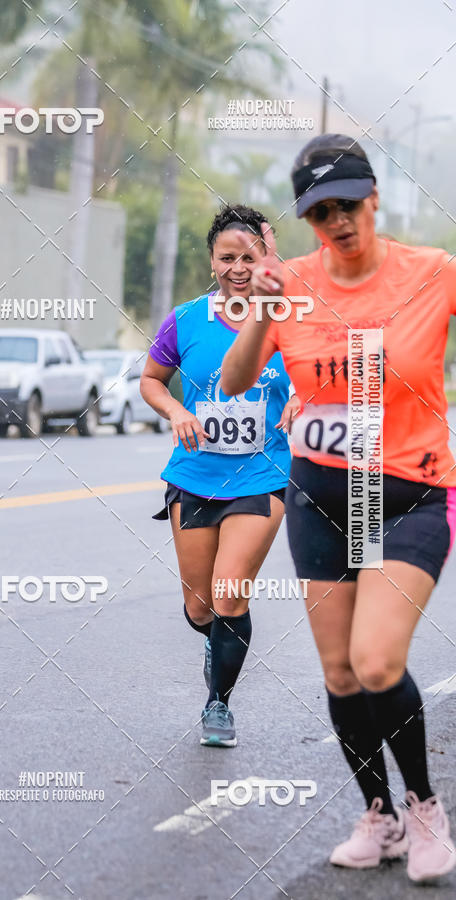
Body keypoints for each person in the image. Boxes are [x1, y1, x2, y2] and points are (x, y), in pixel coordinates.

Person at [221, 134, 456, 883]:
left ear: (373, 198)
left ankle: (424, 807)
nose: (338, 221)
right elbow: (232, 382)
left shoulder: (433, 274)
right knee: (340, 673)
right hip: (322, 495)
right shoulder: (286, 281)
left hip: (410, 493)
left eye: (348, 204)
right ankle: (378, 817)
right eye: (320, 211)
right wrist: (261, 309)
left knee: (377, 661)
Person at [140, 203, 299, 747]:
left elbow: (323, 371)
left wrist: (302, 399)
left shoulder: (288, 313)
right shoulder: (185, 320)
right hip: (194, 475)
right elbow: (152, 381)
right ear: (212, 262)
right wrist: (177, 411)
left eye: (249, 256)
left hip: (261, 475)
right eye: (226, 257)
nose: (237, 267)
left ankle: (218, 704)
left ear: (265, 257)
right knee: (200, 606)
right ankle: (219, 639)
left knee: (230, 597)